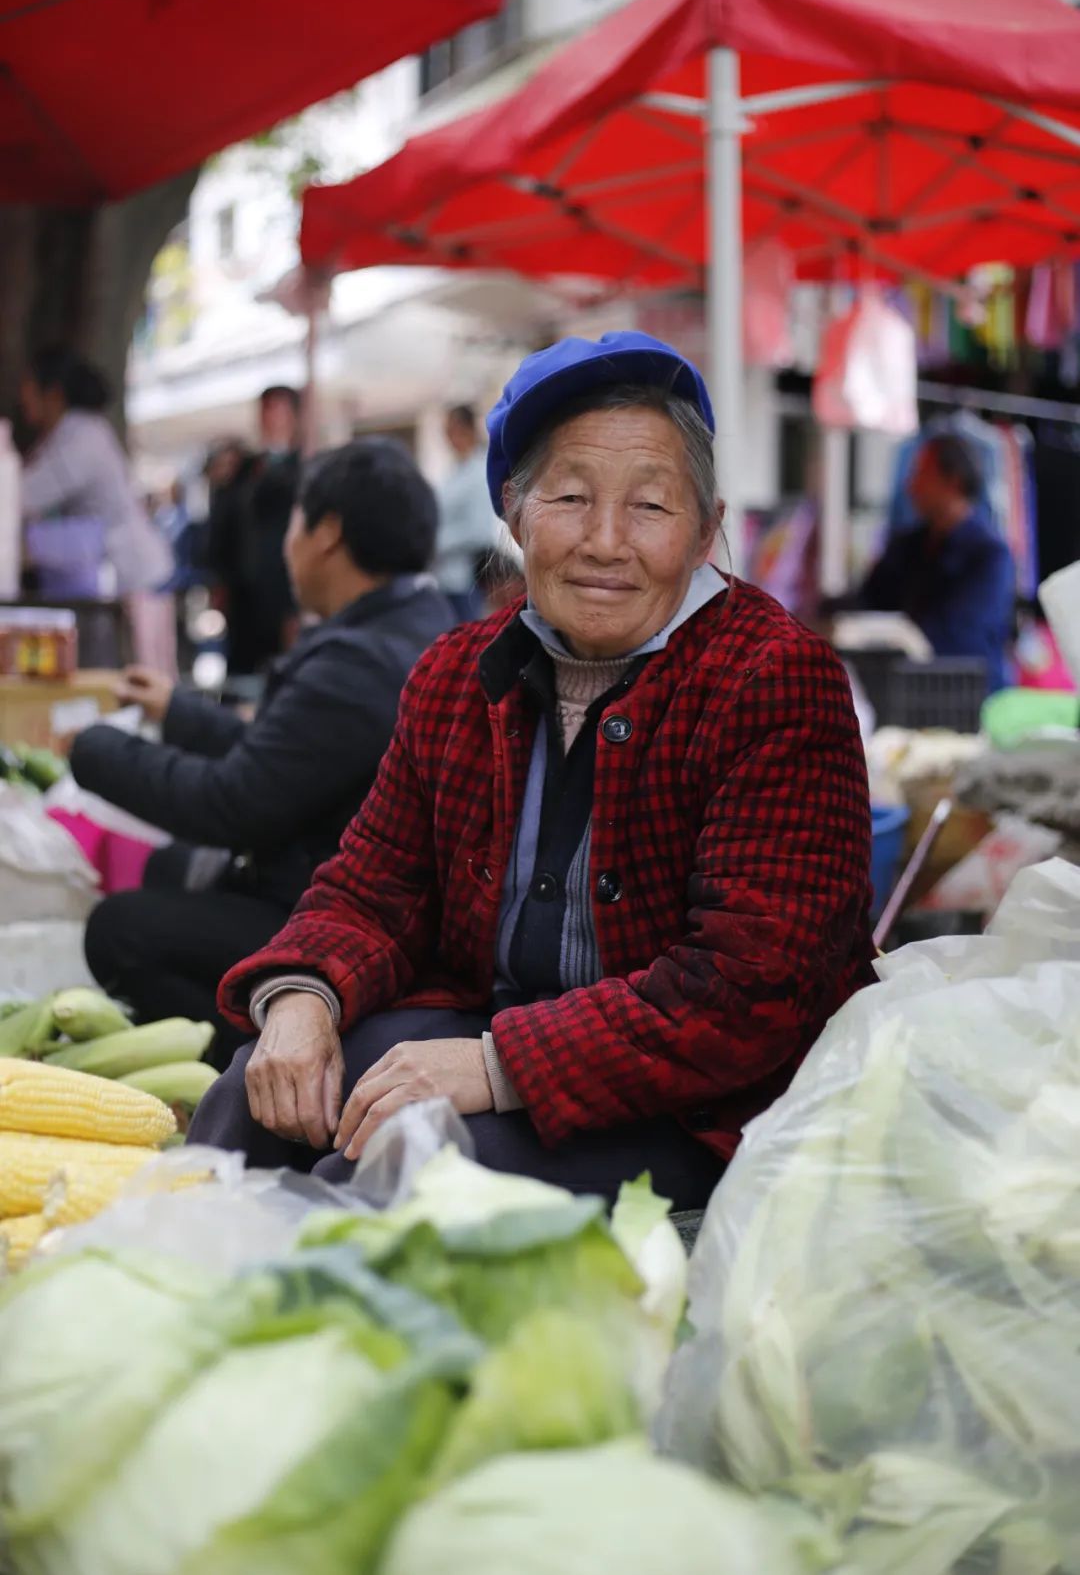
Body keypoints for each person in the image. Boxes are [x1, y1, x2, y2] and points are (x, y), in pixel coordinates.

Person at [190, 331, 874, 1207]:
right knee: (251, 1100)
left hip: (704, 1104)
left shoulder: (773, 680)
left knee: (398, 1176)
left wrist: (494, 1065)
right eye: (571, 498)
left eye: (650, 506)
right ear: (514, 515)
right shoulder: (455, 674)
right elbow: (372, 887)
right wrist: (302, 998)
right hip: (498, 1034)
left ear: (706, 531)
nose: (605, 542)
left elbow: (750, 990)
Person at [72, 439, 456, 1065]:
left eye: (295, 520)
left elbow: (233, 803)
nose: (285, 542)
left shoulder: (359, 664)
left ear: (327, 534)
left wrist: (90, 747)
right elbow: (283, 755)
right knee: (168, 868)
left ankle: (255, 1065)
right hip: (336, 882)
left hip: (346, 921)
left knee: (118, 930)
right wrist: (177, 711)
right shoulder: (410, 622)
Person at [18, 346, 176, 672]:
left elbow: (21, 497)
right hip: (119, 578)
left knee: (144, 678)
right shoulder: (73, 433)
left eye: (29, 388)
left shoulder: (81, 437)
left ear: (53, 394)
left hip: (133, 579)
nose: (22, 398)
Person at [853, 434, 1015, 692]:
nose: (911, 486)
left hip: (967, 697)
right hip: (902, 691)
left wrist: (893, 637)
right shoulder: (908, 545)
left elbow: (959, 636)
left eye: (921, 474)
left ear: (953, 482)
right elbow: (869, 600)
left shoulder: (990, 555)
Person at [206, 386, 303, 675]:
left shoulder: (302, 469)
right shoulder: (243, 470)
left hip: (283, 592)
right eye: (266, 410)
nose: (271, 418)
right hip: (243, 593)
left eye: (278, 410)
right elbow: (224, 525)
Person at [434, 403, 499, 620]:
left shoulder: (479, 472)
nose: (449, 438)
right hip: (444, 578)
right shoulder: (454, 472)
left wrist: (437, 544)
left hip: (465, 580)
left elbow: (480, 531)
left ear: (468, 430)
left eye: (452, 430)